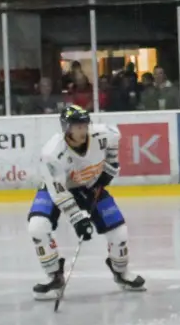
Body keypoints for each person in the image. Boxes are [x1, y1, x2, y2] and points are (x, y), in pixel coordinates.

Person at [27, 103, 144, 300]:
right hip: (56, 188)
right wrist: (77, 219)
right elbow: (60, 193)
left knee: (119, 232)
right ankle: (54, 275)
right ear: (66, 128)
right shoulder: (52, 154)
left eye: (84, 125)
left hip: (90, 186)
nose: (83, 130)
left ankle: (121, 273)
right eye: (77, 126)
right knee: (37, 226)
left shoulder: (104, 135)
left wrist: (111, 167)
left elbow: (115, 137)